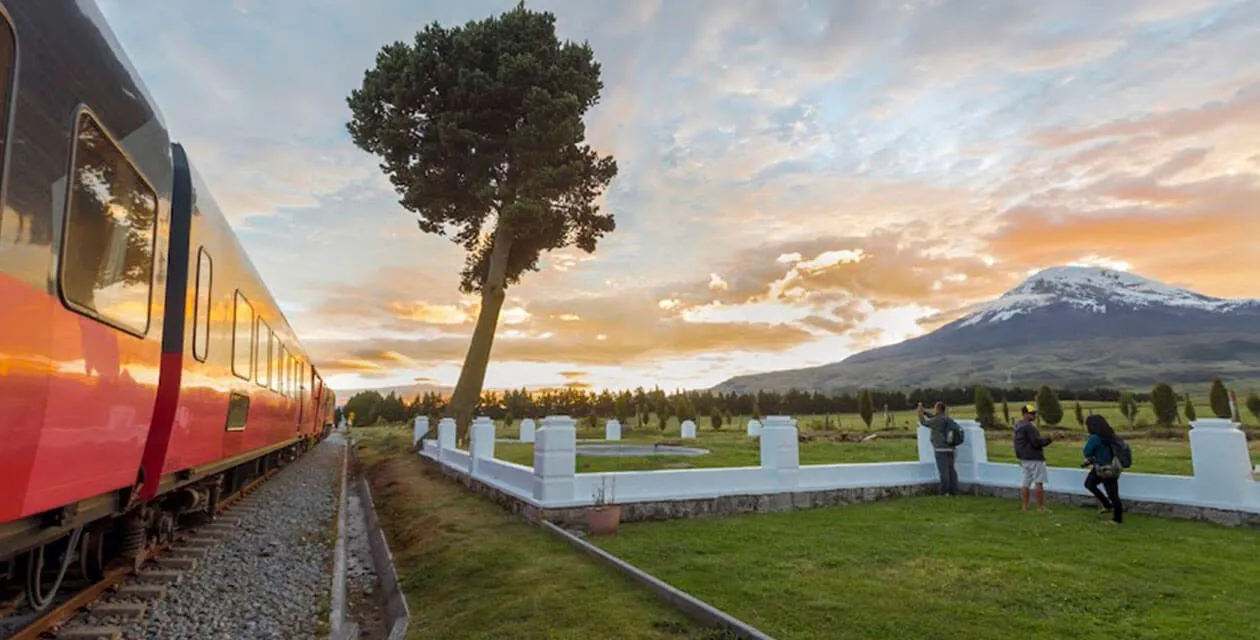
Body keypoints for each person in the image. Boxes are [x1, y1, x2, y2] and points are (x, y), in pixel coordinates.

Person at [1013, 404, 1061, 513]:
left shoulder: (1018, 426)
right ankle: (1040, 508)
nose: (1034, 415)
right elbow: (1036, 443)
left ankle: (1025, 507)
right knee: (1039, 483)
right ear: (1025, 414)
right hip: (1035, 458)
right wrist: (1050, 438)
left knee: (1025, 483)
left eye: (1035, 413)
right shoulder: (1029, 427)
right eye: (1032, 413)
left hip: (1024, 459)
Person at [1083, 414, 1123, 525]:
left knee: (1112, 494)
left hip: (1104, 469)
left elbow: (1086, 452)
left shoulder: (1095, 438)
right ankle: (1107, 505)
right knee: (1090, 483)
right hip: (1113, 467)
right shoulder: (1111, 436)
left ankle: (1117, 519)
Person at [917, 401, 960, 496]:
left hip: (941, 450)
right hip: (951, 449)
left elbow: (924, 422)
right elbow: (934, 417)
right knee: (951, 471)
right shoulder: (946, 419)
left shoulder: (937, 421)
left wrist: (919, 413)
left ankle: (944, 492)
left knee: (944, 472)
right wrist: (925, 412)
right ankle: (954, 491)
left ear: (937, 409)